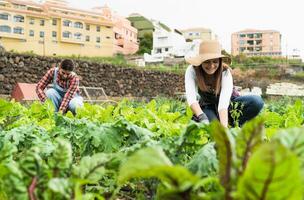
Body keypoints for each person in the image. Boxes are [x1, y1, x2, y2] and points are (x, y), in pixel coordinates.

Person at [185, 40, 264, 127]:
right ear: (201, 61)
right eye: (207, 61)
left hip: (229, 104)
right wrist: (202, 117)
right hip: (208, 106)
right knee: (213, 127)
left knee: (256, 101)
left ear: (219, 61)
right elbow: (191, 98)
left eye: (215, 61)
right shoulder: (192, 70)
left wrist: (225, 130)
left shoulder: (225, 72)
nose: (211, 66)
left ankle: (236, 126)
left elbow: (223, 104)